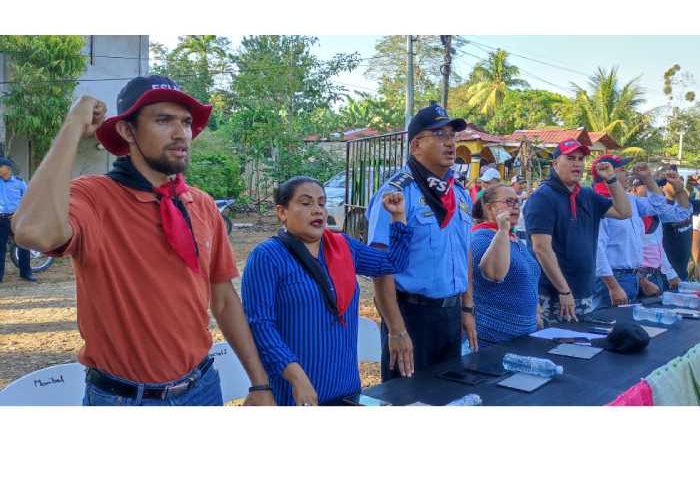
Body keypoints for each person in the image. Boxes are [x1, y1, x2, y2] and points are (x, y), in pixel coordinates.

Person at [12, 75, 275, 406]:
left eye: (186, 122)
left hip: (202, 388)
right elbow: (32, 232)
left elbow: (222, 299)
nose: (181, 133)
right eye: (164, 120)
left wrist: (260, 384)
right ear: (127, 130)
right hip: (122, 400)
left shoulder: (202, 204)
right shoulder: (95, 197)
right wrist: (72, 127)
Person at [241, 177, 411, 406]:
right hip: (296, 392)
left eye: (321, 203)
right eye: (306, 203)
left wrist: (398, 217)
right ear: (282, 212)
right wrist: (296, 376)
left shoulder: (344, 247)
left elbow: (392, 263)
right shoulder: (267, 256)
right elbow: (260, 325)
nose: (317, 210)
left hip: (346, 388)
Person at [367, 103, 476, 381]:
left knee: (449, 398)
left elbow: (465, 253)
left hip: (450, 316)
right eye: (439, 134)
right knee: (408, 401)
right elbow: (381, 268)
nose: (450, 142)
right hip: (411, 317)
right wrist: (396, 329)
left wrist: (466, 308)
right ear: (416, 145)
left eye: (452, 135)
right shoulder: (396, 194)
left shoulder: (459, 194)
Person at [524, 139, 632, 325]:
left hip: (583, 292)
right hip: (553, 294)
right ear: (556, 163)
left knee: (581, 346)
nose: (577, 163)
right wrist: (564, 290)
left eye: (581, 159)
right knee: (554, 349)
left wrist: (612, 180)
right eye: (571, 158)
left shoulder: (587, 195)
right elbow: (541, 248)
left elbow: (624, 212)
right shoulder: (543, 197)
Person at [593, 156, 692, 309]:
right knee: (611, 328)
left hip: (632, 276)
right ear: (605, 173)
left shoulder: (630, 200)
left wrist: (648, 179)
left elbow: (665, 209)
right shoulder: (597, 201)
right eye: (622, 170)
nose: (627, 174)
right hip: (611, 279)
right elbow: (597, 250)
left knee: (627, 329)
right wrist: (613, 286)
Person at [470, 184, 541, 345]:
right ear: (489, 208)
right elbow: (495, 274)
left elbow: (529, 279)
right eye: (509, 201)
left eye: (517, 201)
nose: (516, 206)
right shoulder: (480, 238)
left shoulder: (514, 239)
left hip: (524, 335)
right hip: (493, 338)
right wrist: (502, 230)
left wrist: (536, 311)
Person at [658, 169, 700, 281]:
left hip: (682, 274)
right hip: (666, 276)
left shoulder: (688, 204)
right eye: (672, 181)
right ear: (662, 186)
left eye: (679, 180)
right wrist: (669, 273)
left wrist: (699, 185)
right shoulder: (659, 207)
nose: (678, 183)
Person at [631, 178, 681, 296]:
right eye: (647, 186)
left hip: (657, 273)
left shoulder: (656, 213)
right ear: (635, 189)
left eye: (656, 186)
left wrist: (670, 273)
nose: (654, 190)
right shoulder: (631, 212)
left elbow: (659, 247)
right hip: (640, 275)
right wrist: (641, 280)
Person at [0, 157, 35, 282]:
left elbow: (28, 201)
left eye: (0, 166)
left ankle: (26, 273)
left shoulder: (19, 183)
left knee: (24, 246)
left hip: (17, 219)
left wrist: (18, 213)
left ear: (8, 168)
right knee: (0, 248)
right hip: (1, 220)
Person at [511, 175, 530, 242]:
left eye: (523, 183)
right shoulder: (508, 194)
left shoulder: (526, 195)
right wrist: (521, 198)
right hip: (512, 231)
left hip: (525, 231)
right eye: (520, 183)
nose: (522, 186)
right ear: (513, 184)